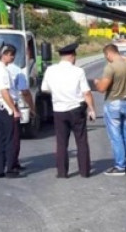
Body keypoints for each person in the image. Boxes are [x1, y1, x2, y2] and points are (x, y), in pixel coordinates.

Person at [41, 42, 96, 178]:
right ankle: (84, 171)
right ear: (72, 56)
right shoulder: (78, 71)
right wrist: (91, 109)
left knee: (61, 142)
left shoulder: (50, 70)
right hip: (76, 108)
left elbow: (44, 89)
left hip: (59, 109)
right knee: (81, 141)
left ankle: (62, 172)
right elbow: (86, 92)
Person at [94, 43, 126, 176]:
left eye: (106, 56)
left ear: (109, 54)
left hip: (113, 103)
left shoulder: (110, 67)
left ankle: (120, 166)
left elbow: (102, 89)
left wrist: (97, 82)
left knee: (116, 137)